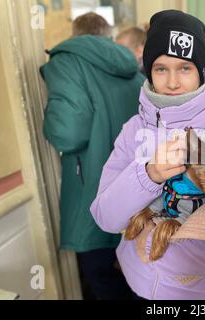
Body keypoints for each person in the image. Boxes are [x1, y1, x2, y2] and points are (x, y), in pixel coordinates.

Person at [90, 9, 205, 300]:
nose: (172, 82)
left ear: (203, 71)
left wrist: (160, 249)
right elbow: (105, 217)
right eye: (161, 68)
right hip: (140, 287)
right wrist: (148, 174)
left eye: (185, 68)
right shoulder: (133, 130)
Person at [41, 12, 145, 299]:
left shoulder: (66, 64)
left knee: (103, 280)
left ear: (75, 34)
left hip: (93, 190)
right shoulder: (132, 70)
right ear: (109, 36)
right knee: (140, 280)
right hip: (138, 194)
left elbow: (67, 133)